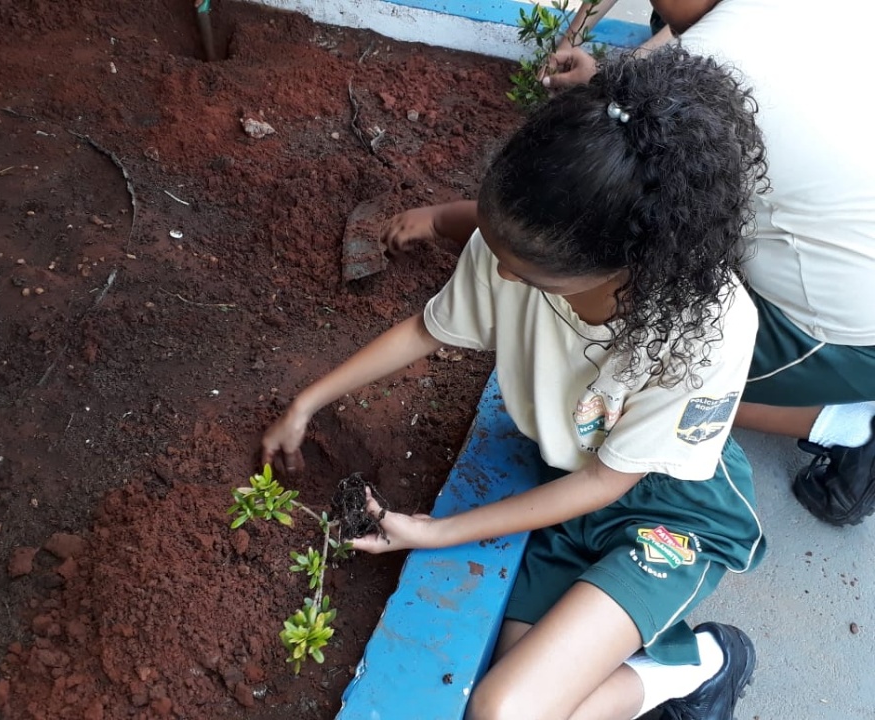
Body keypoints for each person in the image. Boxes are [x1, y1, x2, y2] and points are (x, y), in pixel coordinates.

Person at [263, 47, 766, 720]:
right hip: (566, 485)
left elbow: (606, 483)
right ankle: (662, 665)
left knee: (504, 709)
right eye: (498, 252)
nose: (500, 278)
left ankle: (708, 662)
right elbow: (427, 329)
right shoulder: (520, 246)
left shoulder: (707, 330)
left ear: (625, 264)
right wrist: (309, 400)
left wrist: (439, 532)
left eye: (525, 273)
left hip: (667, 510)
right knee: (525, 691)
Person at [540, 0, 875, 527]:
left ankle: (843, 420)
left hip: (849, 337)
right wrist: (611, 76)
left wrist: (456, 222)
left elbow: (603, 230)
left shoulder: (709, 63)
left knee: (623, 357)